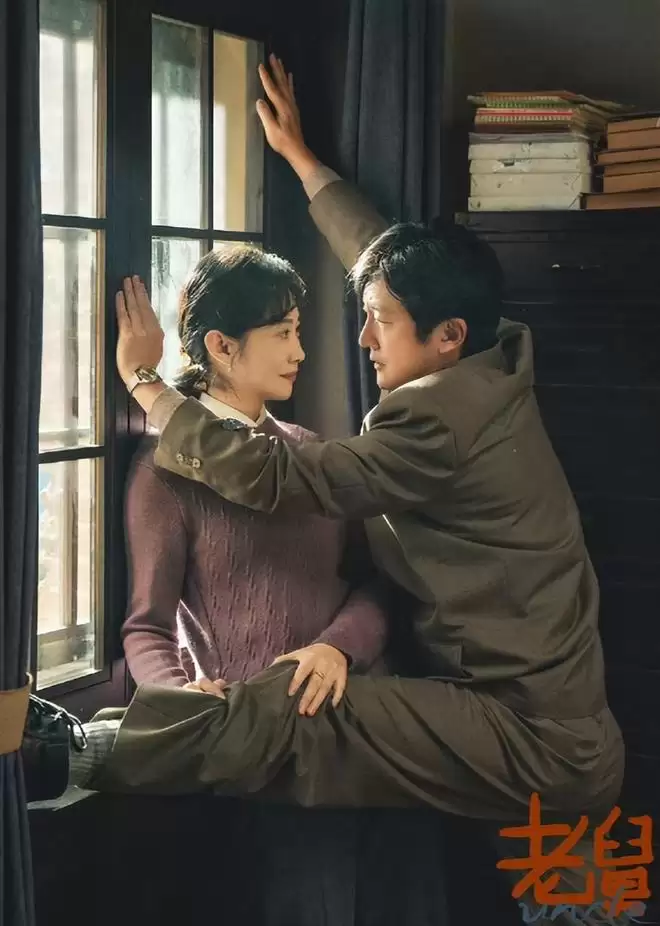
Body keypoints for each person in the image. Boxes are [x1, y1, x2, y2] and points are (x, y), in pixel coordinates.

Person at [23, 57, 629, 924]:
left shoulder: (433, 424)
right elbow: (391, 259)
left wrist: (147, 387)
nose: (361, 340)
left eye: (377, 322)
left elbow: (279, 478)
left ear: (446, 336)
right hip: (550, 723)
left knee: (306, 717)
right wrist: (306, 165)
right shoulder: (492, 355)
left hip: (526, 733)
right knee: (578, 906)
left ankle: (74, 754)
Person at [122, 242, 388, 706]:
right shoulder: (164, 471)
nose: (299, 352)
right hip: (240, 723)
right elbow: (147, 628)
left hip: (344, 714)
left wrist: (338, 646)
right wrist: (181, 694)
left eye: (297, 331)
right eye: (282, 334)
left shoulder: (307, 451)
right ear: (222, 346)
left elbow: (378, 582)